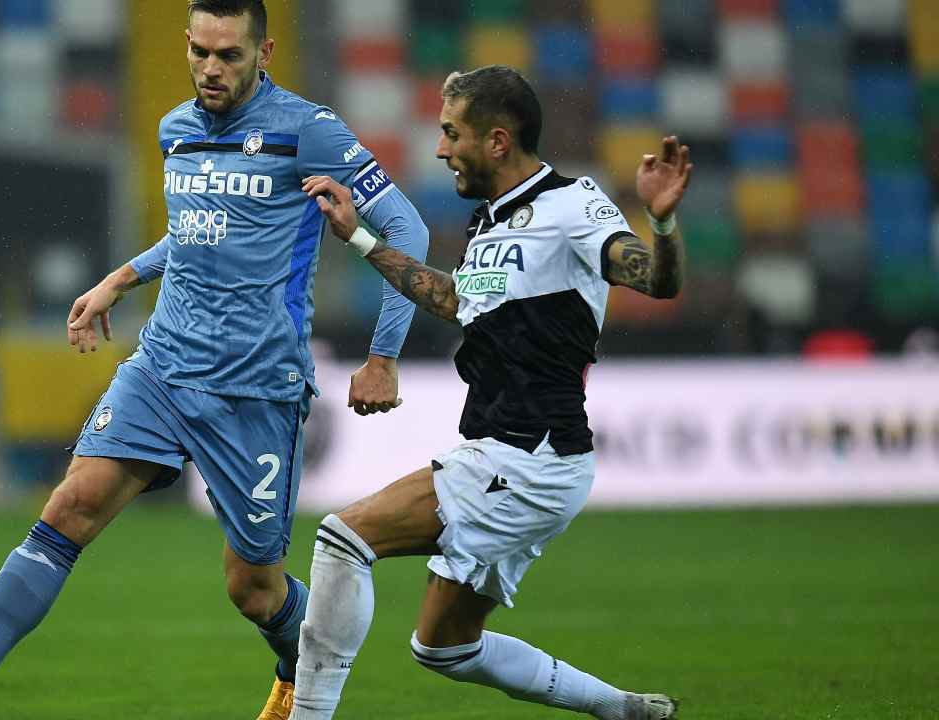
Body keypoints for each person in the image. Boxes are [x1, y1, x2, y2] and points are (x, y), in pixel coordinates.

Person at [0, 1, 430, 719]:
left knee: (252, 587)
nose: (210, 68)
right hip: (162, 368)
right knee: (69, 506)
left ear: (263, 54)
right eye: (200, 51)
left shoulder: (308, 131)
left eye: (228, 54)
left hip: (256, 390)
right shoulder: (176, 131)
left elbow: (407, 226)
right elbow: (197, 233)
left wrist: (384, 355)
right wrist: (121, 278)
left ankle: (301, 668)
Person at [292, 65, 692, 720]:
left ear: (499, 141)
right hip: (517, 454)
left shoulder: (573, 206)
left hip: (526, 454)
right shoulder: (489, 225)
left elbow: (654, 280)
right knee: (444, 647)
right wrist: (361, 235)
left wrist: (662, 223)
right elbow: (452, 298)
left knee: (344, 537)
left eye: (452, 133)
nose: (442, 148)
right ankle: (625, 710)